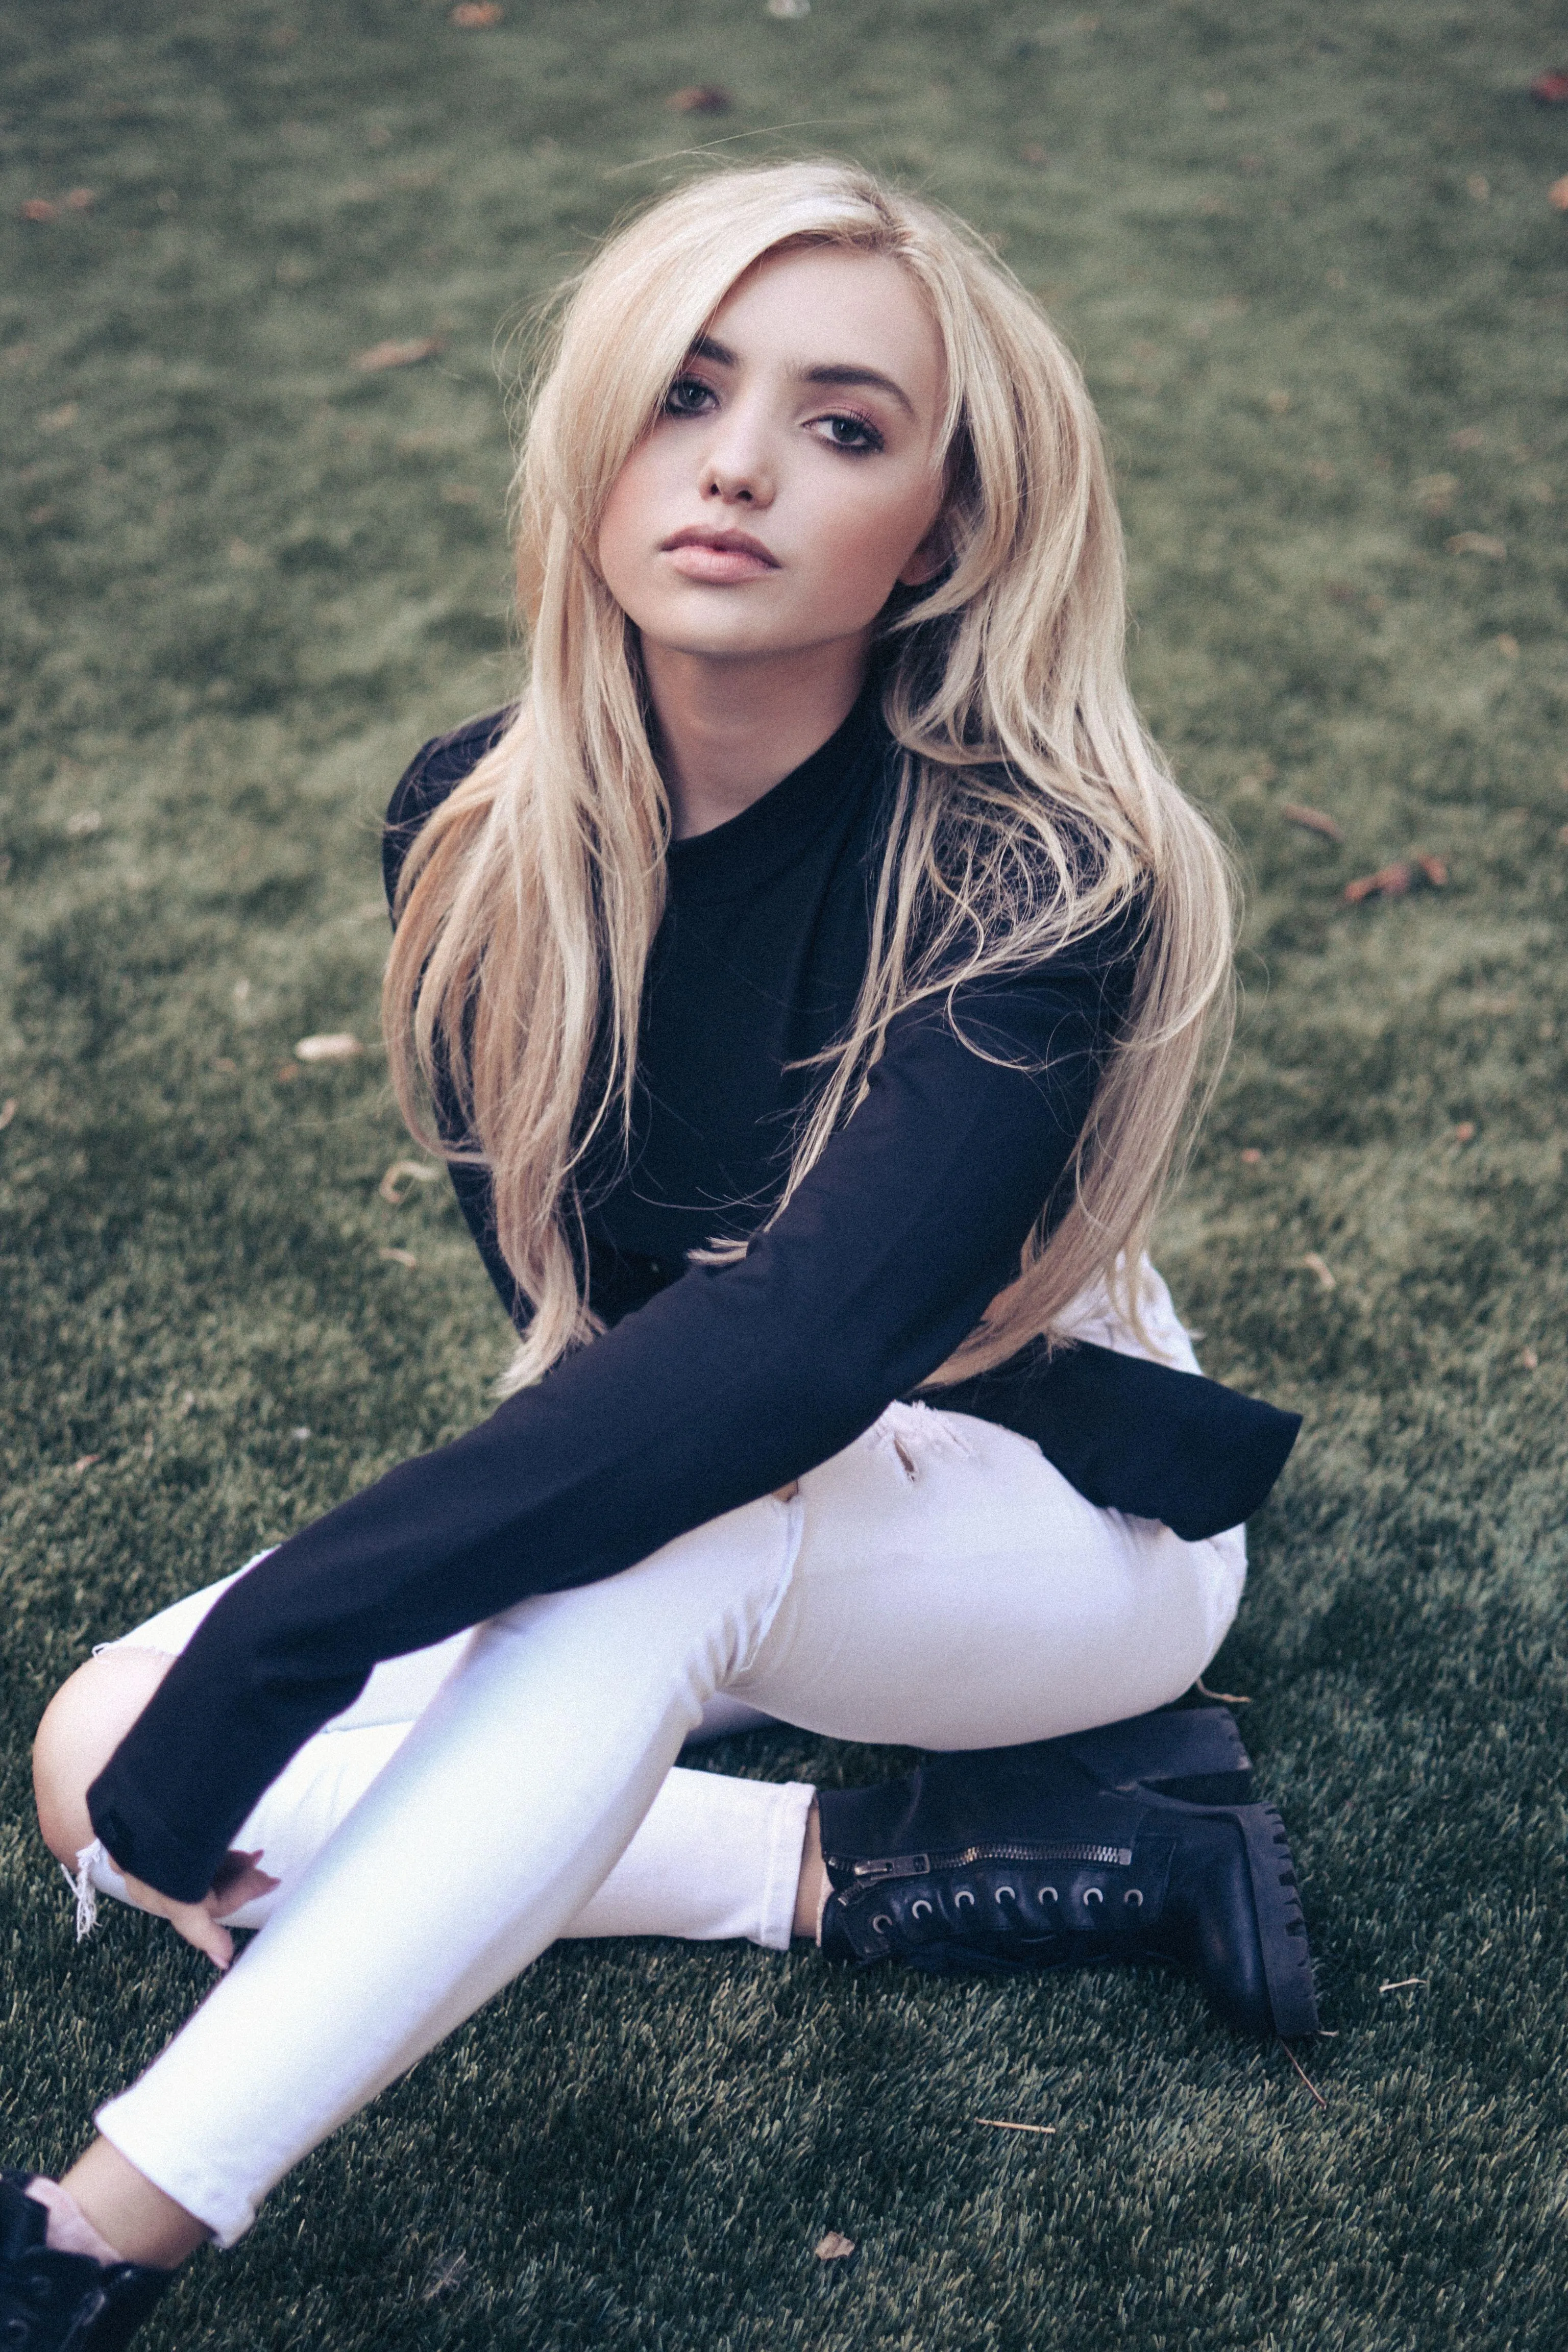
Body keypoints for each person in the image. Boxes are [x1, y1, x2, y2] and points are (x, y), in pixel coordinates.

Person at [4, 160, 1316, 2348]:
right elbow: (596, 1326)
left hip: (1057, 1525)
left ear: (950, 527)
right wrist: (228, 1694)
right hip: (729, 1464)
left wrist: (291, 1646)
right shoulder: (474, 823)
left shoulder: (1034, 866)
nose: (734, 465)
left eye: (844, 422)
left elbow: (799, 1357)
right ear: (595, 435)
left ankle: (90, 2244)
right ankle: (926, 1867)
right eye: (687, 391)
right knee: (90, 1749)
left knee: (649, 1544)